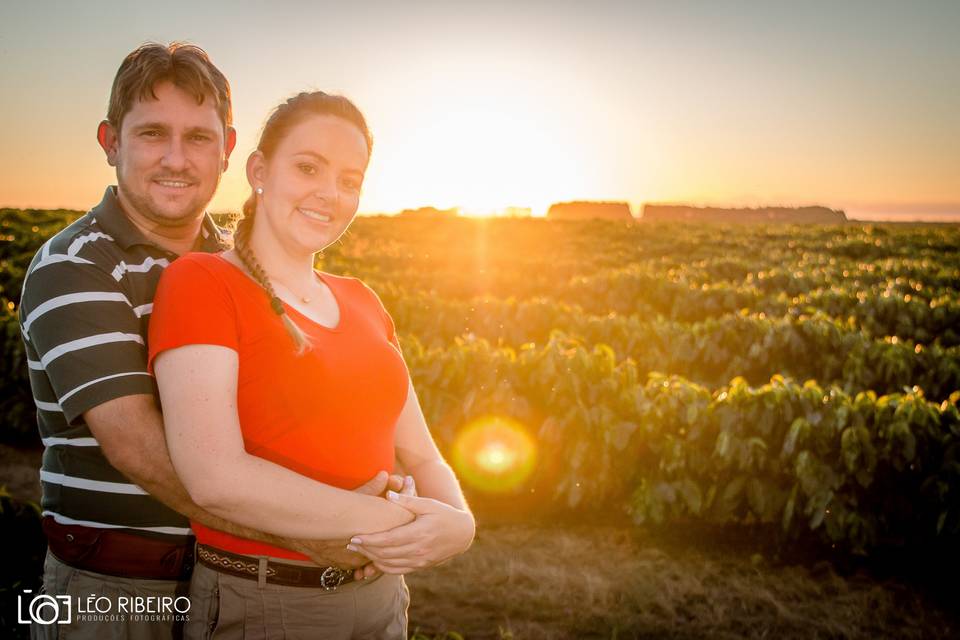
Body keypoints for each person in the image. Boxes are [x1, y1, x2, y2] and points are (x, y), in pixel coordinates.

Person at [18, 43, 396, 640]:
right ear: (110, 142)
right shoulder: (74, 265)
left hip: (233, 586)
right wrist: (306, 536)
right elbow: (135, 445)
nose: (176, 159)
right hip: (117, 596)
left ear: (227, 151)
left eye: (198, 137)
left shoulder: (239, 270)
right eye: (151, 134)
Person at [147, 91, 476, 639]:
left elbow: (419, 452)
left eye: (350, 180)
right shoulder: (202, 282)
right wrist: (404, 525)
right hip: (268, 601)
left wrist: (460, 523)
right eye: (307, 168)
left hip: (383, 601)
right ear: (259, 171)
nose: (330, 194)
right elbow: (213, 477)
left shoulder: (362, 299)